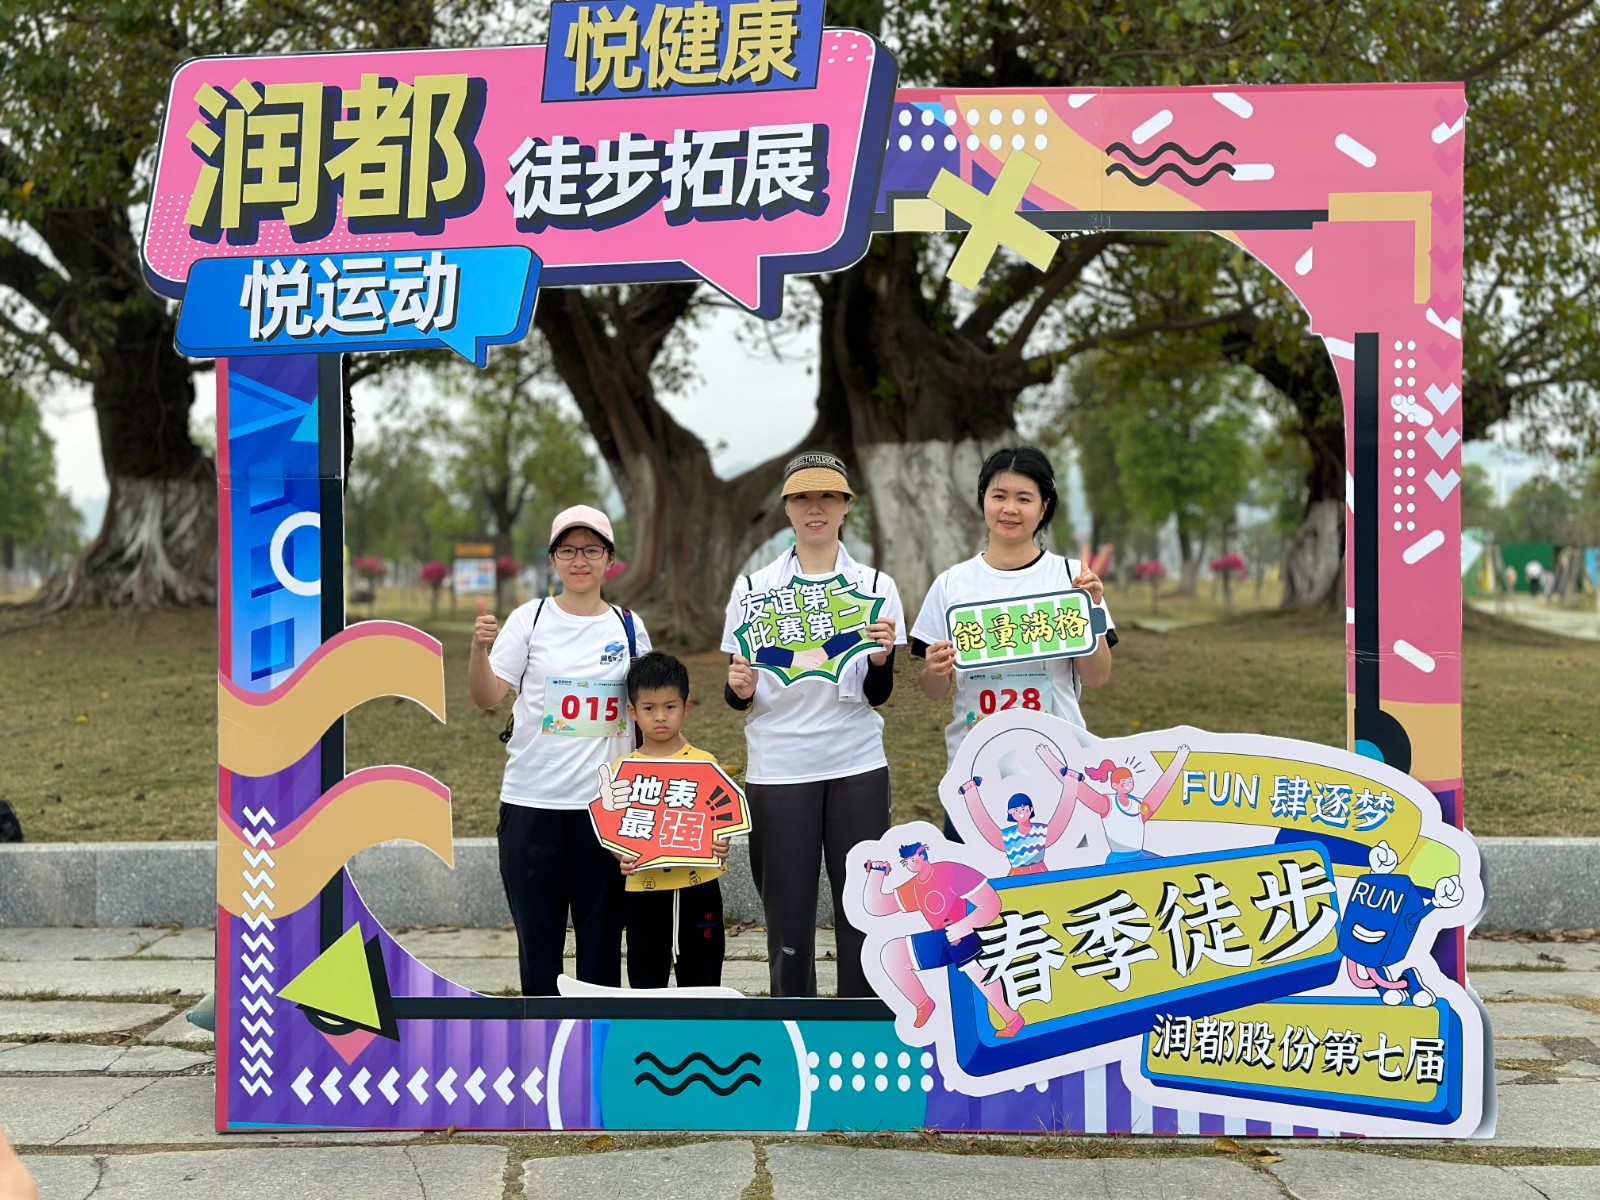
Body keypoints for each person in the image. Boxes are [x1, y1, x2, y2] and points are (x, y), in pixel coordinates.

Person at [723, 451, 904, 998]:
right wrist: (740, 689)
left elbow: (879, 693)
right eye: (802, 497)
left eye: (828, 496)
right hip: (779, 766)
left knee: (864, 906)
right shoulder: (753, 589)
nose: (815, 508)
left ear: (847, 505)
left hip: (856, 762)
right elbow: (737, 690)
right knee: (788, 914)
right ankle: (792, 1020)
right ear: (786, 507)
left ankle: (861, 1019)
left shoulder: (875, 585)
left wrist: (881, 661)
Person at [470, 505, 651, 996]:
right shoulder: (530, 619)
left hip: (606, 812)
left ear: (609, 559)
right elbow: (487, 697)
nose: (580, 560)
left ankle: (594, 1042)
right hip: (533, 806)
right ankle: (542, 1042)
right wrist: (478, 651)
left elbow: (651, 711)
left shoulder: (629, 628)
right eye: (568, 550)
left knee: (601, 952)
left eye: (592, 549)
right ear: (552, 559)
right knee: (539, 952)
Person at [910, 447, 1116, 839]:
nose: (1010, 509)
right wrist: (933, 670)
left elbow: (1097, 676)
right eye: (999, 495)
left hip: (1060, 767)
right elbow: (934, 690)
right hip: (976, 772)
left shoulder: (1072, 578)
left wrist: (1091, 611)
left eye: (1024, 498)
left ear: (1043, 507)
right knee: (973, 877)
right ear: (983, 500)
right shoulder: (952, 584)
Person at [597, 651, 729, 989]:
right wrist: (621, 855)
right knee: (645, 978)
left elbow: (723, 816)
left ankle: (700, 1026)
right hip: (644, 887)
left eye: (670, 707)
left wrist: (721, 842)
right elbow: (612, 827)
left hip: (698, 886)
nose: (660, 717)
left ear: (686, 708)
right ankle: (650, 1026)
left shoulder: (705, 764)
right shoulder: (623, 770)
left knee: (703, 980)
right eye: (649, 708)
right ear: (632, 712)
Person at [860, 841, 1024, 1037]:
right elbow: (877, 906)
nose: (910, 864)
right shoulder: (915, 886)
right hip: (942, 938)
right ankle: (923, 1003)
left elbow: (991, 904)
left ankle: (1012, 1018)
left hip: (963, 934)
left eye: (912, 859)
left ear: (922, 854)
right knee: (893, 953)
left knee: (979, 975)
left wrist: (964, 926)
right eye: (906, 862)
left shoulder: (950, 871)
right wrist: (876, 873)